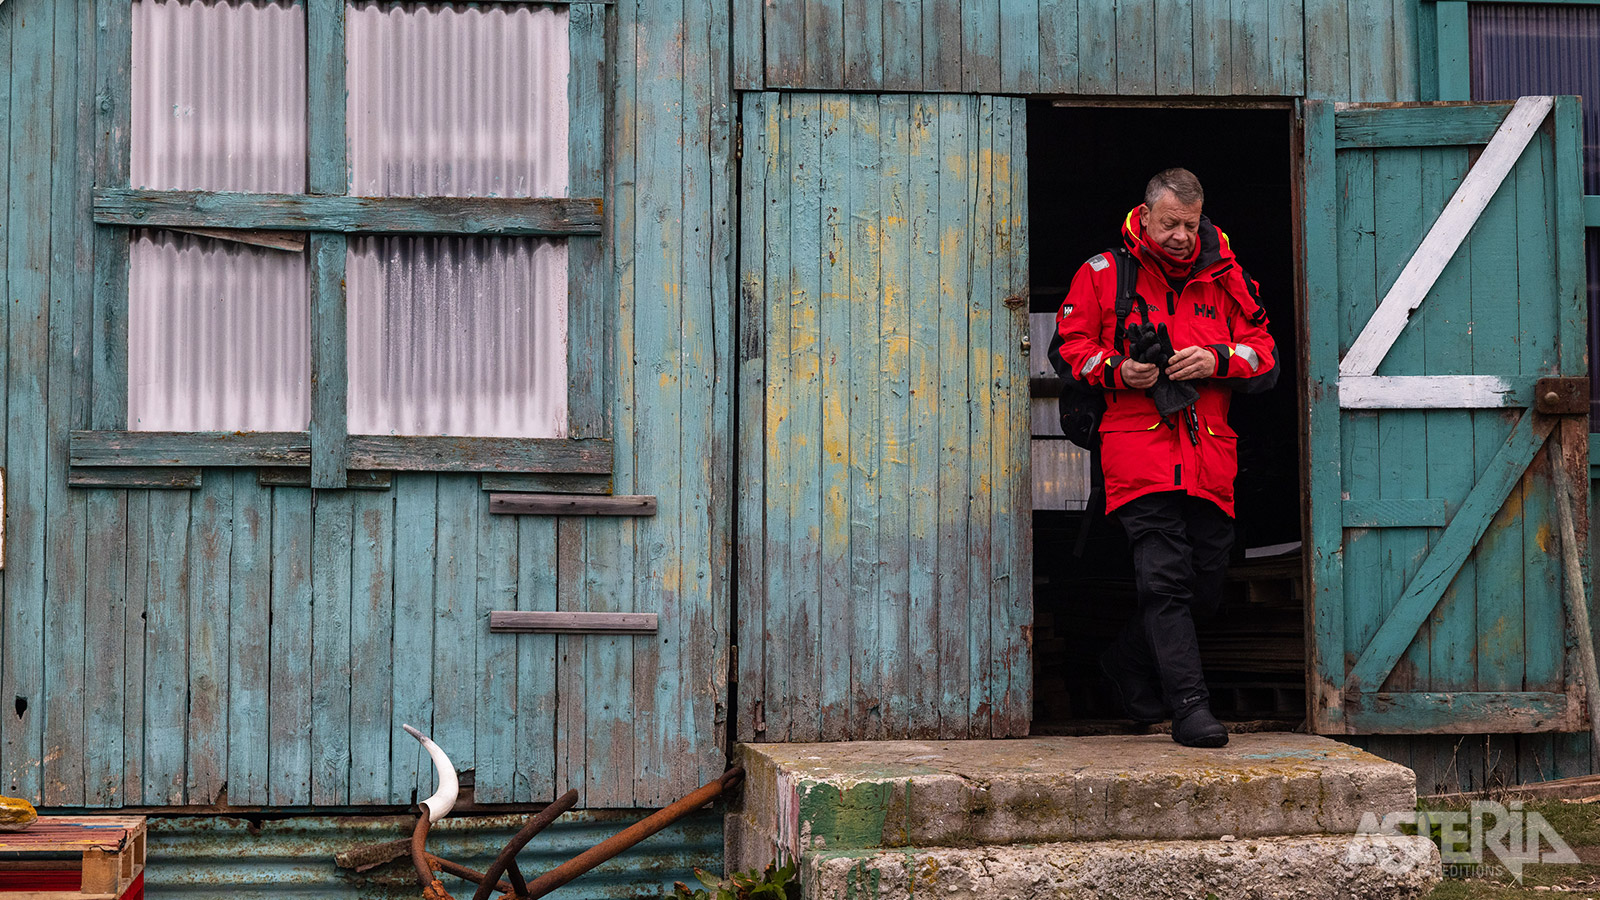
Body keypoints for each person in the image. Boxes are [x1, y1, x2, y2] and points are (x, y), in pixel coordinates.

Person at [1047, 168, 1278, 748]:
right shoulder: (1103, 274)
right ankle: (1190, 710)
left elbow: (1266, 354)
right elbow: (1069, 347)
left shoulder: (1230, 277)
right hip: (1137, 451)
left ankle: (1125, 662)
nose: (1180, 235)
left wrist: (1217, 359)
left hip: (1210, 457)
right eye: (1170, 223)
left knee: (1205, 585)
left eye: (1190, 224)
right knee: (1164, 583)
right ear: (1144, 215)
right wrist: (1118, 370)